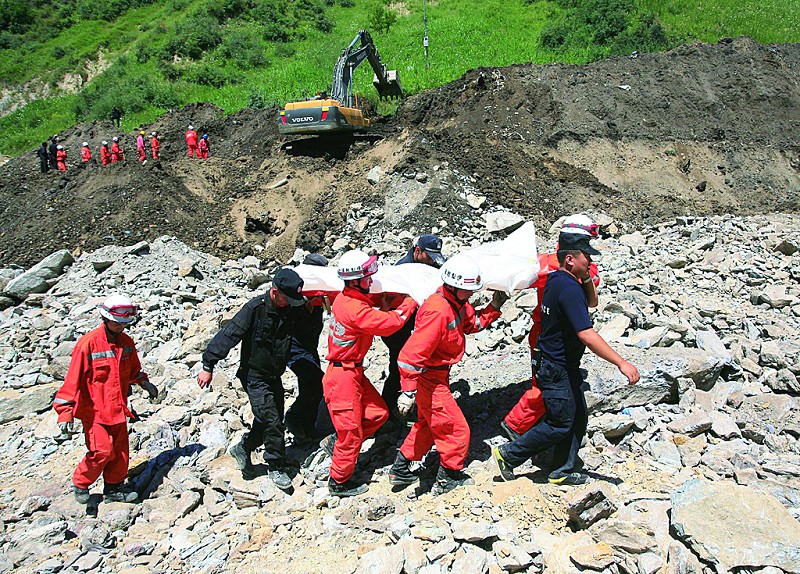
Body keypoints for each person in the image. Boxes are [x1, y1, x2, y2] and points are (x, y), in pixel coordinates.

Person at [492, 232, 640, 485]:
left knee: (578, 417)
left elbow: (592, 302)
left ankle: (562, 470)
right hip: (555, 366)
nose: (591, 263)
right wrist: (621, 363)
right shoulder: (569, 288)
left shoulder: (558, 279)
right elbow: (586, 334)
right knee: (559, 422)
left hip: (562, 363)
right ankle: (508, 455)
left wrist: (587, 277)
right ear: (570, 259)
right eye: (587, 258)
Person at [388, 255, 507, 495]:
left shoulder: (457, 304)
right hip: (429, 379)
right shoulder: (438, 311)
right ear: (453, 286)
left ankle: (401, 469)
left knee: (428, 425)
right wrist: (408, 390)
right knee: (455, 429)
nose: (472, 293)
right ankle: (448, 477)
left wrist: (494, 307)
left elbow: (472, 324)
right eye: (468, 290)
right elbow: (411, 354)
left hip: (437, 376)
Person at [197, 268, 310, 491]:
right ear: (275, 292)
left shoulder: (290, 308)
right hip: (254, 377)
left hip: (274, 375)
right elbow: (229, 334)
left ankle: (244, 447)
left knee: (267, 418)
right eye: (288, 298)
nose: (290, 302)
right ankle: (276, 465)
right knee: (272, 420)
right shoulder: (254, 309)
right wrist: (208, 364)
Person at [323, 250, 417, 497]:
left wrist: (386, 301)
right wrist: (411, 301)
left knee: (378, 413)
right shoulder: (354, 308)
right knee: (351, 433)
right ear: (354, 280)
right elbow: (390, 325)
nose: (371, 280)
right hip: (343, 377)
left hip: (352, 373)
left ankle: (340, 443)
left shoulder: (349, 299)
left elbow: (374, 310)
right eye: (367, 277)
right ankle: (339, 481)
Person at [501, 215, 601, 441]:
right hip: (556, 334)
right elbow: (592, 299)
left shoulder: (543, 263)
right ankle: (515, 425)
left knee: (546, 380)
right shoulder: (580, 267)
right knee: (546, 384)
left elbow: (514, 276)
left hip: (546, 331)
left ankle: (531, 423)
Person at [52, 295, 158, 504]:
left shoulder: (126, 343)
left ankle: (113, 489)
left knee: (119, 453)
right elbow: (72, 381)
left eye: (125, 324)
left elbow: (133, 370)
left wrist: (144, 383)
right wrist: (65, 413)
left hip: (118, 409)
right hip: (94, 412)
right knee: (101, 451)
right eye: (117, 323)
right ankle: (81, 483)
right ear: (106, 318)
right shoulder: (88, 344)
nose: (121, 327)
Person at [381, 234, 446, 423]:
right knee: (399, 368)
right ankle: (391, 413)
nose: (433, 262)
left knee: (415, 367)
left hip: (411, 326)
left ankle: (408, 408)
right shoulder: (403, 270)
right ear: (418, 251)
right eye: (430, 256)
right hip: (397, 329)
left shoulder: (426, 265)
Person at [284, 254, 329, 442]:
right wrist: (308, 307)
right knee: (316, 384)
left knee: (312, 387)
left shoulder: (315, 292)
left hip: (309, 347)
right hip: (295, 349)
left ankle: (307, 426)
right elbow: (293, 324)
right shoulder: (295, 293)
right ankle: (294, 420)